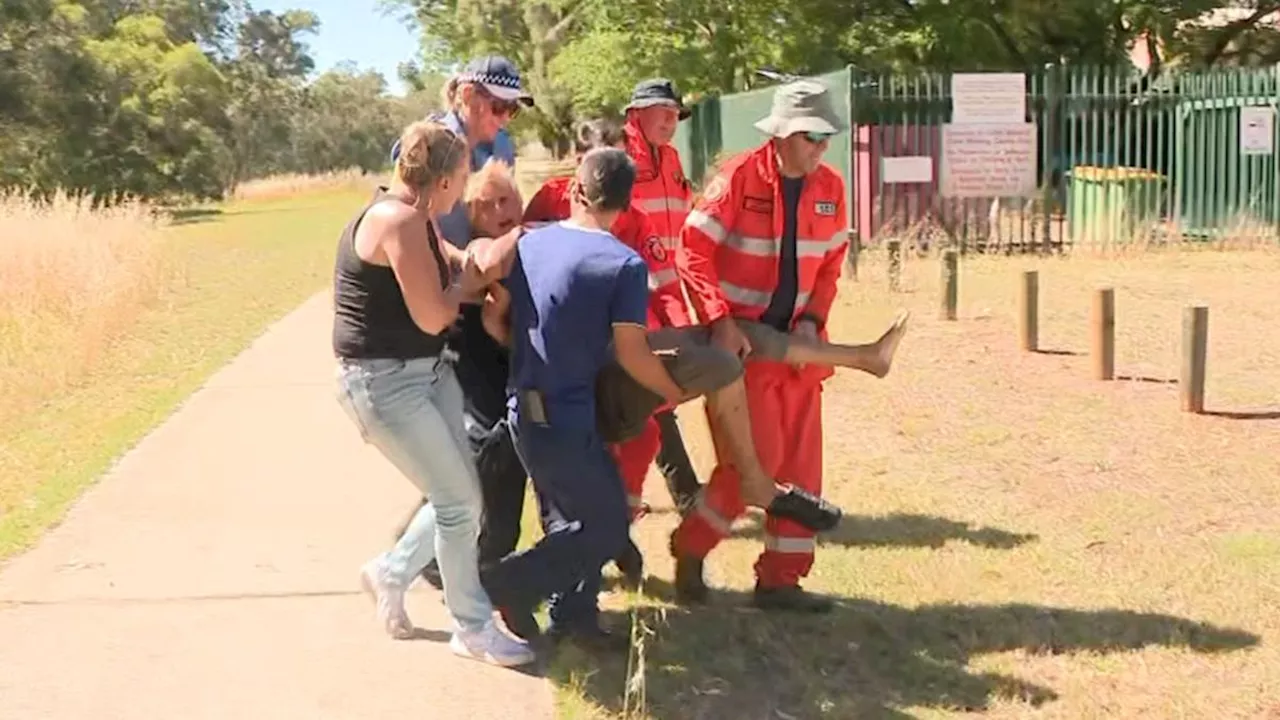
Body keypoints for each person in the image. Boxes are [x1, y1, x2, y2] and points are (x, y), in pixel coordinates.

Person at [332, 119, 534, 667]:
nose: (464, 190)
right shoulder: (396, 222)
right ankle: (471, 626)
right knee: (458, 502)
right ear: (442, 181)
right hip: (385, 384)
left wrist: (481, 259)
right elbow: (434, 314)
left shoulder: (414, 215)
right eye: (462, 177)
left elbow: (447, 258)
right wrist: (470, 285)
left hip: (426, 373)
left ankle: (390, 572)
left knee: (461, 497)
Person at [477, 148, 686, 651]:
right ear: (627, 204)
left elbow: (496, 314)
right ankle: (507, 583)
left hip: (523, 412)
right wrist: (671, 389)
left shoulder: (530, 243)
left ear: (575, 191)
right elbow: (633, 352)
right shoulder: (624, 265)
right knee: (607, 522)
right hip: (565, 418)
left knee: (571, 518)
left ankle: (572, 618)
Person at [669, 77, 859, 614]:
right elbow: (691, 251)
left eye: (826, 137)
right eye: (810, 136)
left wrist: (815, 319)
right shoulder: (737, 179)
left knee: (802, 469)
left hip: (799, 356)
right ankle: (690, 548)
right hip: (743, 356)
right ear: (780, 135)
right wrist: (719, 320)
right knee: (753, 467)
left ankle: (781, 581)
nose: (821, 147)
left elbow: (830, 266)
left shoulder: (832, 189)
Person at [388, 56, 535, 592]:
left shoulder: (497, 150)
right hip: (443, 307)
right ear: (467, 95)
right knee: (476, 440)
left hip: (478, 300)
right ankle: (433, 561)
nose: (503, 118)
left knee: (474, 442)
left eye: (511, 110)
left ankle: (426, 555)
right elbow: (412, 223)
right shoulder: (433, 142)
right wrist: (465, 262)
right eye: (497, 106)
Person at [621, 79, 703, 513]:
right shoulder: (619, 162)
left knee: (660, 393)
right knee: (653, 391)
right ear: (637, 114)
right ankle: (686, 492)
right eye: (663, 112)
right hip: (630, 296)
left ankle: (672, 490)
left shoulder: (672, 159)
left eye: (675, 114)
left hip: (667, 293)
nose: (671, 121)